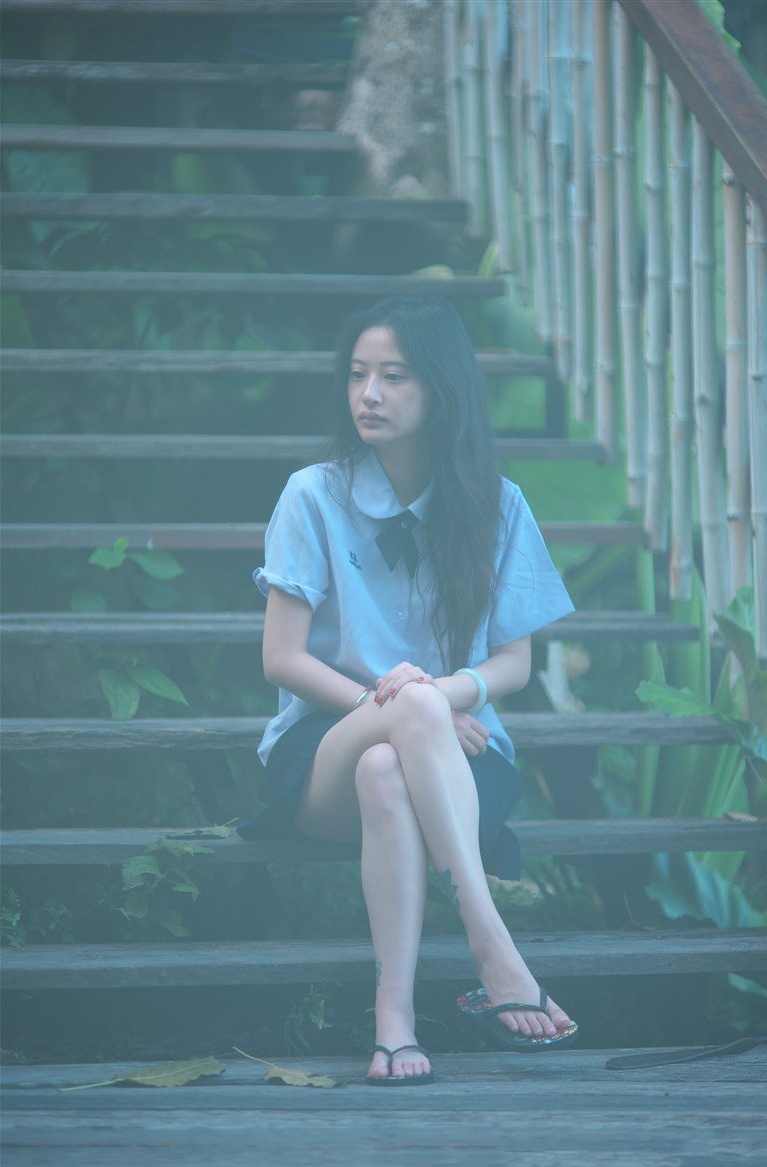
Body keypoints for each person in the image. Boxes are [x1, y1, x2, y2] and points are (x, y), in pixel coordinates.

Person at [243, 297, 579, 1085]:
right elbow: (282, 660)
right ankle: (494, 949)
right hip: (322, 754)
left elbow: (514, 664)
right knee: (395, 734)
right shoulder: (312, 495)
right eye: (358, 375)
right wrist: (406, 710)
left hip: (458, 761)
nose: (369, 394)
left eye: (394, 377)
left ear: (441, 389)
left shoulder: (498, 504)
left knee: (388, 769)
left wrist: (439, 703)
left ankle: (393, 1021)